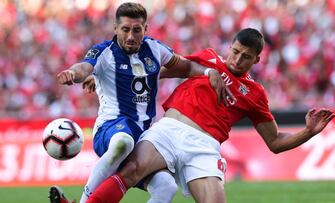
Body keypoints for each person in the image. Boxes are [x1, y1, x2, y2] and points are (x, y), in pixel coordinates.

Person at [85, 28, 335, 203]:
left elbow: (275, 142)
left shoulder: (256, 93)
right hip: (169, 130)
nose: (237, 59)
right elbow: (157, 71)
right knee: (131, 170)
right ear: (230, 46)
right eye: (235, 51)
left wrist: (308, 132)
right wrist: (107, 77)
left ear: (257, 60)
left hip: (205, 148)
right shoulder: (208, 58)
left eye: (246, 57)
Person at [49, 2, 232, 203]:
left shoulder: (155, 49)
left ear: (145, 29)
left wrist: (209, 71)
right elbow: (84, 67)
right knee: (123, 142)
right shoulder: (104, 52)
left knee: (167, 187)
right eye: (125, 29)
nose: (130, 36)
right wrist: (73, 73)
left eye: (137, 30)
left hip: (144, 137)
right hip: (111, 129)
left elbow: (185, 67)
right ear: (116, 28)